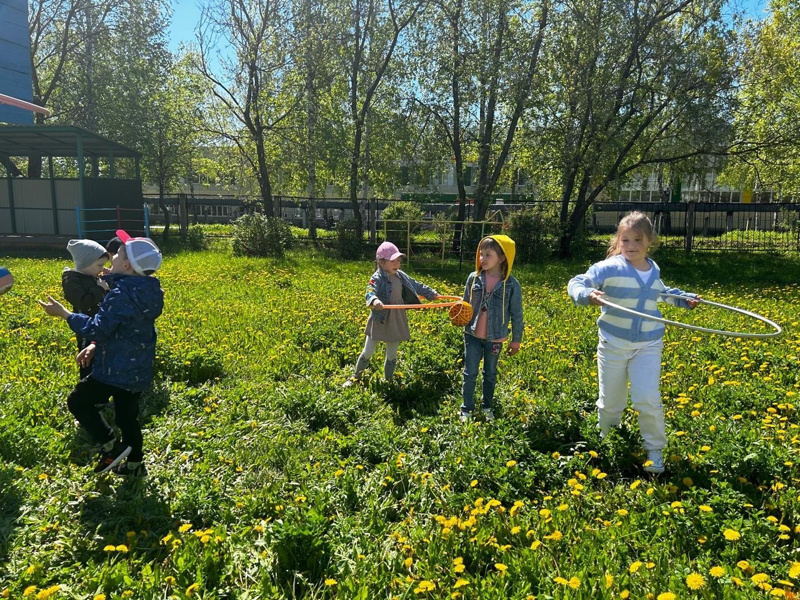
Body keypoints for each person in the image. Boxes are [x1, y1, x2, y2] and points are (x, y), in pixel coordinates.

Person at [568, 211, 699, 474]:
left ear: (649, 241)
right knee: (611, 402)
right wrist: (586, 293)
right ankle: (608, 441)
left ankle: (654, 449)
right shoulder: (609, 267)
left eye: (637, 240)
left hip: (648, 344)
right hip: (614, 343)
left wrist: (683, 299)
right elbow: (577, 282)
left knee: (647, 397)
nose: (631, 246)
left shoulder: (653, 270)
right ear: (619, 240)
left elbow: (660, 293)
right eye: (625, 240)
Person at [38, 230, 164, 477]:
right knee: (128, 420)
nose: (111, 257)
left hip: (113, 369)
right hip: (137, 370)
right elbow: (123, 327)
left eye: (116, 254)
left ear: (126, 265)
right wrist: (96, 344)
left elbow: (97, 328)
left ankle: (111, 446)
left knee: (77, 401)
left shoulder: (120, 295)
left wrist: (65, 313)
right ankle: (135, 467)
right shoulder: (150, 291)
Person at [344, 241, 439, 387]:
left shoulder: (401, 276)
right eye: (393, 261)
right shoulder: (377, 277)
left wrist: (431, 293)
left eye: (398, 260)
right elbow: (370, 290)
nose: (397, 264)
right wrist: (374, 300)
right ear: (381, 263)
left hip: (396, 318)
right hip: (380, 318)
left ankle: (387, 380)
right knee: (368, 350)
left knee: (392, 353)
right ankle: (356, 377)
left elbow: (416, 284)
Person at [460, 235, 524, 421]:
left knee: (490, 374)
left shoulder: (511, 285)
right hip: (472, 335)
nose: (483, 259)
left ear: (503, 258)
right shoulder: (473, 278)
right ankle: (466, 409)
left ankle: (487, 406)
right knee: (470, 373)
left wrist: (516, 340)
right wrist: (459, 313)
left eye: (488, 255)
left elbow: (516, 314)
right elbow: (465, 304)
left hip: (495, 338)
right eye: (481, 254)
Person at [62, 239, 111, 380]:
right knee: (87, 358)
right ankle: (86, 384)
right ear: (85, 264)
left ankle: (100, 388)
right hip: (84, 327)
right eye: (99, 265)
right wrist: (100, 288)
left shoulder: (91, 276)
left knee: (101, 356)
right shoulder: (71, 281)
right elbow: (83, 303)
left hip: (99, 324)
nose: (102, 269)